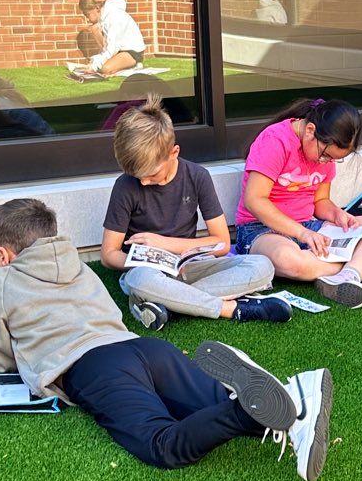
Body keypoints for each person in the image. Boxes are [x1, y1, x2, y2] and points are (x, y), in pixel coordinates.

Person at [0, 198, 331, 480]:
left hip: (93, 367)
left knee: (163, 446)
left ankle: (243, 411)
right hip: (143, 348)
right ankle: (293, 403)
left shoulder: (0, 280)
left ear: (2, 255)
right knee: (209, 408)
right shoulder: (78, 267)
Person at [102, 95, 292, 331]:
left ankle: (167, 304)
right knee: (140, 280)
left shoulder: (197, 176)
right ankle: (231, 309)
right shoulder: (125, 185)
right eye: (137, 175)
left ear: (174, 152)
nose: (143, 181)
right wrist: (143, 257)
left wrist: (164, 244)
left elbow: (222, 243)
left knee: (262, 266)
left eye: (151, 174)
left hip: (190, 266)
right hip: (148, 272)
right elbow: (109, 254)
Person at [235, 97, 362, 309]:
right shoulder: (275, 140)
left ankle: (348, 274)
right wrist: (302, 233)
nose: (326, 162)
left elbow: (320, 201)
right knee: (289, 259)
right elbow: (254, 200)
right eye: (326, 156)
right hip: (260, 230)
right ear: (310, 131)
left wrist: (336, 214)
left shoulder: (325, 153)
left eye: (334, 159)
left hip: (309, 227)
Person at [77, 0, 147, 76]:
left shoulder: (114, 17)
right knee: (95, 29)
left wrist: (95, 67)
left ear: (97, 8)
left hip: (132, 52)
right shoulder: (105, 18)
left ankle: (134, 64)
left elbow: (112, 48)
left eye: (88, 14)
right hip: (119, 51)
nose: (87, 19)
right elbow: (106, 47)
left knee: (106, 69)